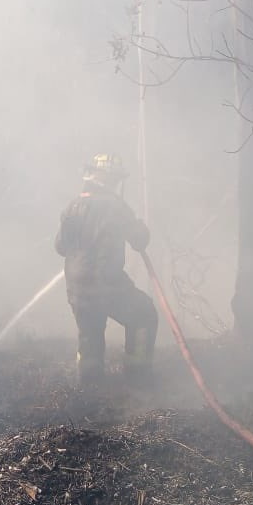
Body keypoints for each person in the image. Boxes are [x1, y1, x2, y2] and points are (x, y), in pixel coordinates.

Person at [55, 154, 158, 387]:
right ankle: (138, 377)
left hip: (77, 287)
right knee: (144, 314)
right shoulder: (116, 206)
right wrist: (140, 227)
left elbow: (61, 247)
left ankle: (89, 389)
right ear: (108, 178)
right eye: (115, 178)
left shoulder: (72, 206)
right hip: (107, 285)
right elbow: (139, 240)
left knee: (90, 334)